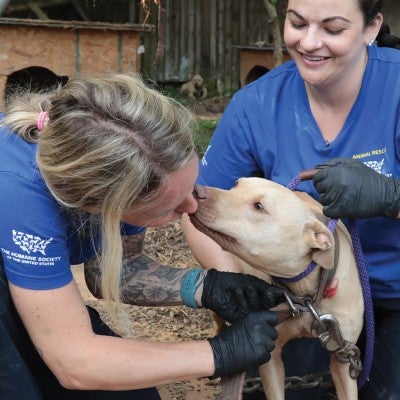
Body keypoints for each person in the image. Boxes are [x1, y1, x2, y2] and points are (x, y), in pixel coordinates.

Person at [0, 72, 285, 399]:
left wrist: (207, 287)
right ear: (98, 204)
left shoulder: (135, 154)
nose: (192, 207)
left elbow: (117, 268)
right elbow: (74, 360)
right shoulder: (20, 196)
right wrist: (217, 354)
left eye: (191, 188)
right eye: (171, 207)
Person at [182, 1, 400, 399]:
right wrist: (236, 282)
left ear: (372, 28)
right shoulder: (256, 105)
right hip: (300, 294)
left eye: (333, 29)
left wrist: (391, 196)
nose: (309, 42)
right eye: (297, 23)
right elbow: (198, 204)